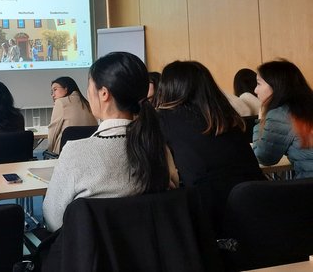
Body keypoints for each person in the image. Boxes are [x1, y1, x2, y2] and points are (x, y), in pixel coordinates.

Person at [42, 52, 178, 232]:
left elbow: (53, 220)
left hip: (92, 249)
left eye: (89, 86)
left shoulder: (76, 152)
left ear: (104, 93)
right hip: (152, 247)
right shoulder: (159, 147)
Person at [155, 60, 265, 234]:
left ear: (167, 88)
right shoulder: (226, 115)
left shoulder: (163, 119)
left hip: (209, 213)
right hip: (258, 202)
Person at [252, 59, 313, 173]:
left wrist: (261, 120)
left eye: (259, 83)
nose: (255, 90)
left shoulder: (280, 115)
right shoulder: (306, 107)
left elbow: (264, 158)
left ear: (276, 85)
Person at [47, 76, 97, 155]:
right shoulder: (87, 104)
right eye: (51, 92)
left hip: (66, 153)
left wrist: (49, 151)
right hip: (88, 153)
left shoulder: (60, 102)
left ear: (66, 89)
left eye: (55, 89)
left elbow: (53, 131)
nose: (53, 95)